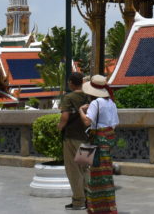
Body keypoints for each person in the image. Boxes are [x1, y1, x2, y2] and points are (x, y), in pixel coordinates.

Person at [79, 74, 118, 214]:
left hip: (96, 140)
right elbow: (114, 125)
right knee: (106, 174)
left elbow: (87, 122)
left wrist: (80, 111)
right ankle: (108, 207)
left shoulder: (95, 103)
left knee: (93, 174)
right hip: (107, 140)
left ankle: (95, 208)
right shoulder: (111, 103)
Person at [57, 72, 90, 211]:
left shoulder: (69, 97)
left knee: (73, 170)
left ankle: (78, 201)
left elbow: (65, 117)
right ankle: (89, 199)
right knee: (85, 169)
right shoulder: (88, 96)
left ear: (71, 83)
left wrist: (59, 128)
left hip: (72, 137)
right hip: (88, 137)